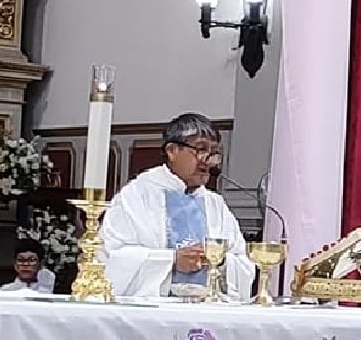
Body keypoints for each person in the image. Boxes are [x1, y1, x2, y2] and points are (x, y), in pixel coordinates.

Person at [101, 114, 252, 298]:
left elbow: (243, 262)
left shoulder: (215, 204)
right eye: (201, 149)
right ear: (172, 151)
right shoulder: (137, 195)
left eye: (214, 153)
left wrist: (219, 262)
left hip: (208, 312)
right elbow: (114, 256)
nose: (208, 161)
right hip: (154, 313)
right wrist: (172, 260)